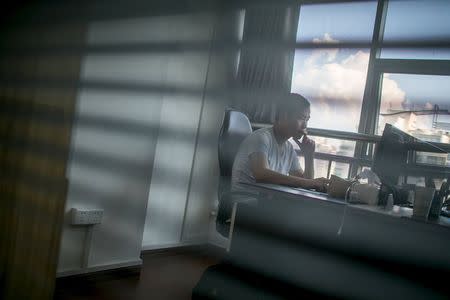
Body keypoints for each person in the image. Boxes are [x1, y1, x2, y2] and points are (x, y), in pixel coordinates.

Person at [231, 93, 330, 194]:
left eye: (307, 120)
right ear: (284, 115)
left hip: (266, 201)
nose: (305, 125)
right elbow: (261, 174)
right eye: (301, 118)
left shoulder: (289, 148)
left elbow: (306, 183)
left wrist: (309, 156)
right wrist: (307, 183)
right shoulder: (261, 138)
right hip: (244, 201)